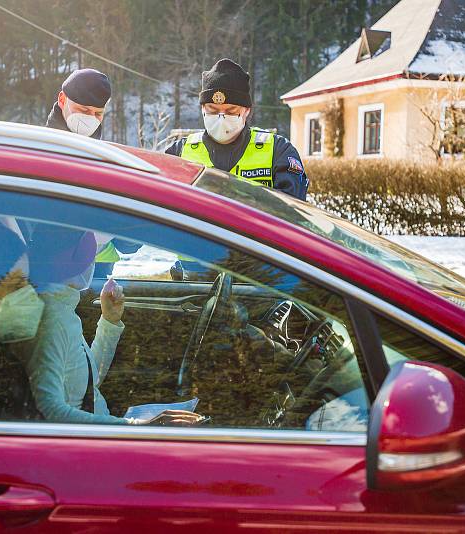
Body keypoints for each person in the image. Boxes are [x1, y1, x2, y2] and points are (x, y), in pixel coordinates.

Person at [27, 224, 201, 425]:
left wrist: (109, 321)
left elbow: (88, 383)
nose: (91, 263)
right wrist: (136, 427)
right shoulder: (50, 320)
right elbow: (51, 413)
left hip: (103, 434)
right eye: (89, 258)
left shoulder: (60, 309)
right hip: (93, 444)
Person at [166, 58, 310, 200]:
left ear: (246, 110)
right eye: (213, 110)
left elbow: (292, 211)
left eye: (230, 111)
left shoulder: (278, 151)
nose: (221, 117)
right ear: (202, 109)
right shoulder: (178, 152)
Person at [45, 68, 111, 139]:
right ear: (62, 100)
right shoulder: (41, 146)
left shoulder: (103, 149)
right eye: (84, 110)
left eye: (98, 113)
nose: (90, 118)